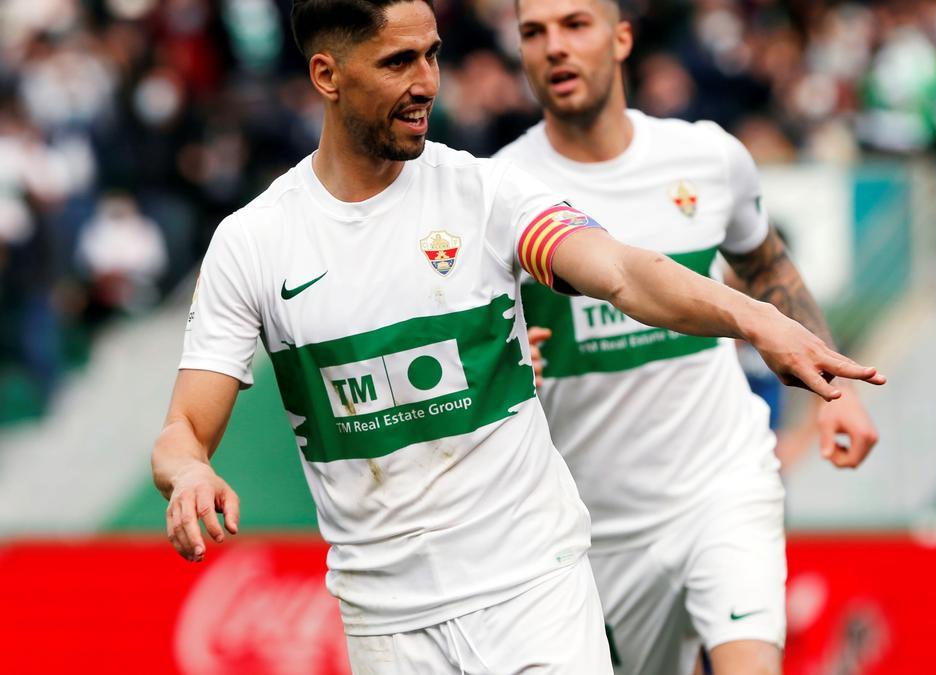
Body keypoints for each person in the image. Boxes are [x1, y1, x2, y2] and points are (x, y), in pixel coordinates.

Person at [149, 1, 886, 673]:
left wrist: (757, 317)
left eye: (433, 55)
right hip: (387, 620)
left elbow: (626, 272)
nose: (428, 82)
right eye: (399, 62)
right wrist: (188, 473)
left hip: (536, 584)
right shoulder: (253, 243)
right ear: (327, 75)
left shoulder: (486, 194)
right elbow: (184, 428)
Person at [497, 1, 881, 673]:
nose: (554, 46)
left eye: (575, 25)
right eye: (535, 32)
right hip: (591, 527)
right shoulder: (496, 190)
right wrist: (505, 358)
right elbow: (478, 342)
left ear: (621, 39)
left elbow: (765, 263)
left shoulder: (706, 156)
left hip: (721, 484)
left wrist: (835, 390)